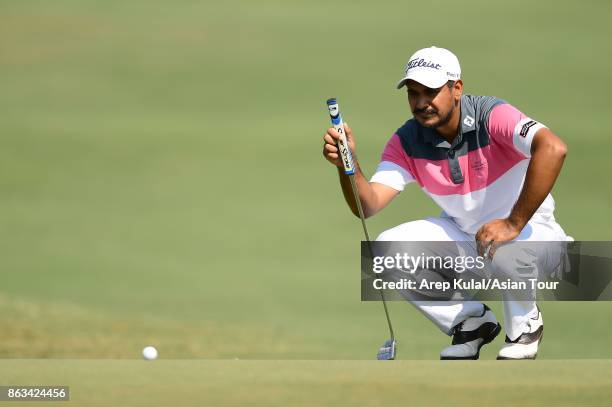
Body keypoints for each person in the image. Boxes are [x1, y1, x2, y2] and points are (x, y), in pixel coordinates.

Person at [322, 46, 569, 360]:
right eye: (413, 93)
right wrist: (349, 165)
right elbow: (366, 205)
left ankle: (524, 327)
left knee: (505, 247)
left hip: (536, 239)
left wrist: (512, 223)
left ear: (457, 89)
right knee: (385, 250)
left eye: (431, 92)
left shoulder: (491, 116)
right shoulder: (407, 141)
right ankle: (471, 322)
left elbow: (553, 148)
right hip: (471, 243)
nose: (421, 103)